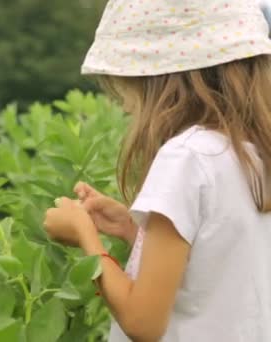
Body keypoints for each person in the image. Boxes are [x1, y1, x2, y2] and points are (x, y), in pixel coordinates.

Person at [43, 0, 271, 341]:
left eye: (126, 87)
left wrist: (85, 238)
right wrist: (131, 230)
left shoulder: (185, 157)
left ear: (160, 81)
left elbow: (143, 323)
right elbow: (215, 264)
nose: (124, 103)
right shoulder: (254, 153)